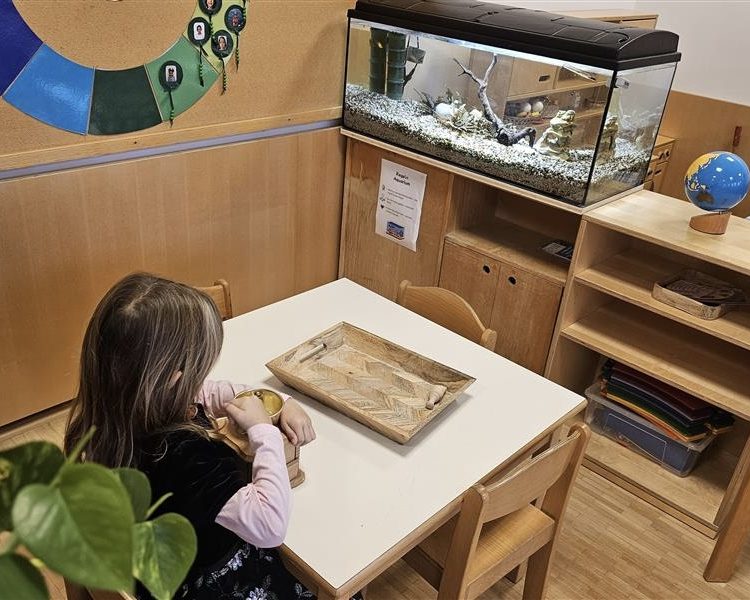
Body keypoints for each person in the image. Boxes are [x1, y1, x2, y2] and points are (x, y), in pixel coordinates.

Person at [64, 273, 353, 599]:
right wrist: (263, 432)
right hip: (215, 584)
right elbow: (270, 526)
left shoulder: (106, 417)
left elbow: (213, 392)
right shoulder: (187, 457)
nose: (203, 382)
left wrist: (283, 401)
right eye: (199, 371)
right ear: (174, 380)